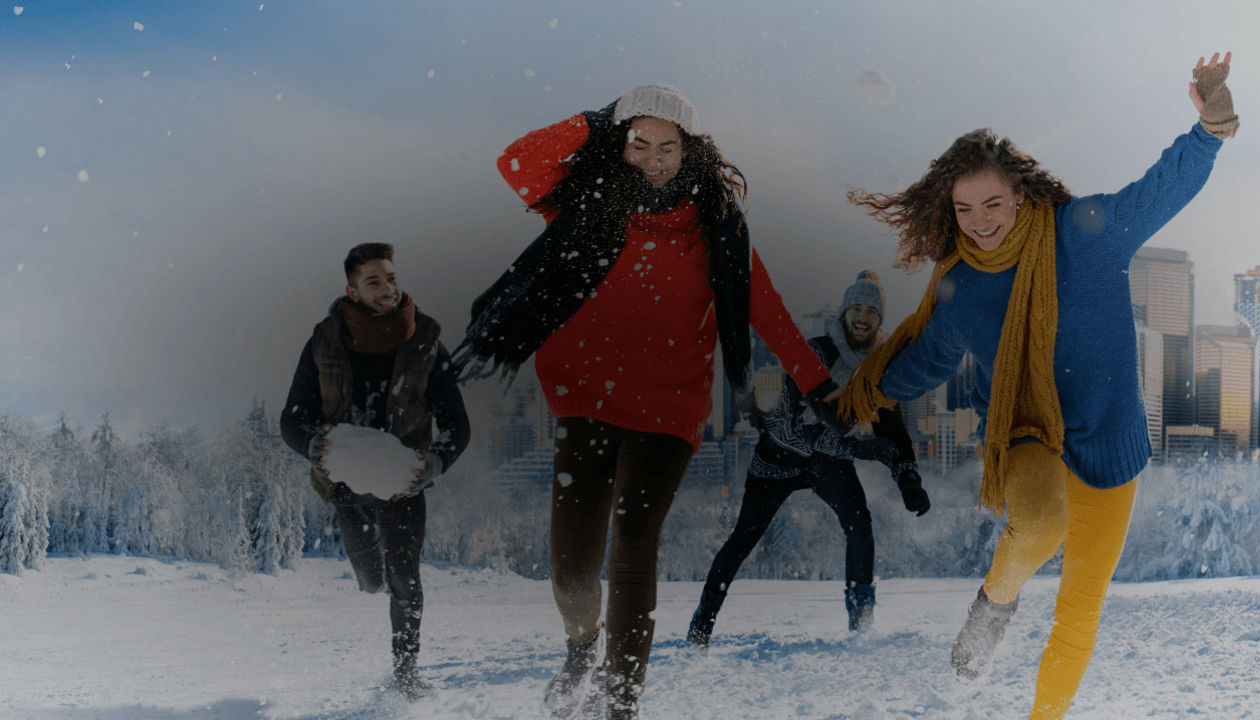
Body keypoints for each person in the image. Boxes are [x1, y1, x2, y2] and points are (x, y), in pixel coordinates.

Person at [839, 53, 1237, 719]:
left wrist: (1211, 122)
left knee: (1079, 613)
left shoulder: (1086, 235)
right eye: (964, 208)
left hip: (1110, 446)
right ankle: (994, 603)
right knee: (1041, 524)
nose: (980, 221)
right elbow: (928, 359)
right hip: (1028, 437)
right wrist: (862, 395)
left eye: (993, 203)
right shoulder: (962, 284)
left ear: (1022, 194)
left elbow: (1163, 187)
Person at [459, 83, 837, 719]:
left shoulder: (716, 226)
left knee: (634, 547)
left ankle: (619, 702)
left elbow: (762, 305)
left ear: (690, 152)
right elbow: (516, 163)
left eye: (669, 146)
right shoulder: (584, 204)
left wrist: (818, 384)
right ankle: (582, 645)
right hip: (584, 403)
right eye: (640, 143)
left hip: (670, 410)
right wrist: (600, 117)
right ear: (621, 143)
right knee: (572, 572)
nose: (655, 158)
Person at [688, 271, 929, 648]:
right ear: (845, 313)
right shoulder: (816, 352)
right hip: (778, 459)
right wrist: (860, 450)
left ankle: (860, 628)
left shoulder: (877, 368)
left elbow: (893, 428)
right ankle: (701, 625)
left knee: (859, 524)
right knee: (743, 539)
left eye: (872, 312)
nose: (863, 318)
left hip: (827, 462)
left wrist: (907, 477)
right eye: (857, 309)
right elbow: (793, 429)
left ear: (880, 321)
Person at [279, 242, 472, 701]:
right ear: (352, 290)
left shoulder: (426, 343)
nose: (386, 288)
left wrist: (433, 463)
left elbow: (457, 425)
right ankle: (372, 580)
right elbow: (291, 418)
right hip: (345, 485)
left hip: (404, 484)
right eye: (373, 281)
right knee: (372, 578)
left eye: (390, 277)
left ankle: (406, 673)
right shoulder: (323, 341)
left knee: (406, 577)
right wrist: (312, 445)